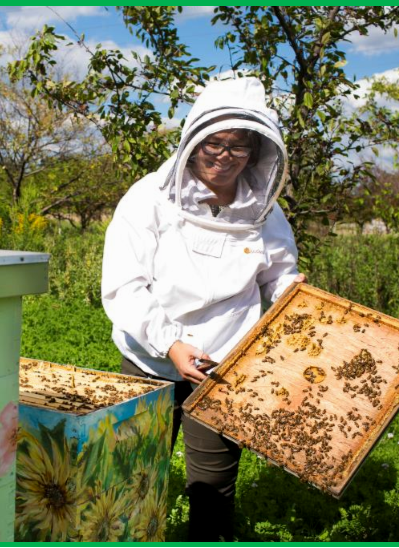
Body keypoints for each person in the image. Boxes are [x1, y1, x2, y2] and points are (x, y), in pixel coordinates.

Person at [101, 77, 305, 541]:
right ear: (193, 142)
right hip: (149, 359)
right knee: (133, 479)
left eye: (237, 146)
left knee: (212, 490)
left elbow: (276, 273)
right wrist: (170, 342)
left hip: (225, 367)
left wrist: (292, 289)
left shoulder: (264, 211)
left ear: (255, 151)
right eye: (214, 143)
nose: (223, 156)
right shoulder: (147, 199)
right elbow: (124, 286)